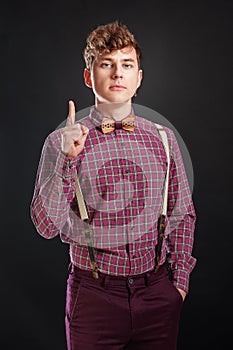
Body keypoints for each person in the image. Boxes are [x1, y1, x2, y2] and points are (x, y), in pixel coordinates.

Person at [30, 20, 197, 350]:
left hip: (158, 294)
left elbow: (183, 215)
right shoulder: (60, 142)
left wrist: (178, 284)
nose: (118, 74)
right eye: (106, 64)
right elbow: (46, 226)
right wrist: (67, 160)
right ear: (89, 76)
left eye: (127, 64)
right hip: (93, 297)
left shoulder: (163, 139)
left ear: (139, 78)